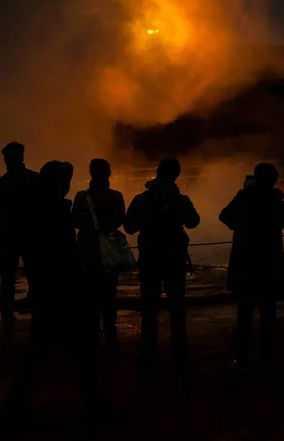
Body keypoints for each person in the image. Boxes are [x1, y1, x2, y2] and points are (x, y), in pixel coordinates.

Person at [7, 161, 102, 418]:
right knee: (78, 352)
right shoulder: (54, 213)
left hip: (46, 291)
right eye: (64, 179)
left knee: (39, 352)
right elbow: (63, 257)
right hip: (60, 292)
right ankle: (94, 405)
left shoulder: (35, 210)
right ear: (58, 184)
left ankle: (15, 405)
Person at [124, 158, 200, 368]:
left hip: (150, 257)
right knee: (177, 305)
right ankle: (180, 350)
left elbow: (129, 227)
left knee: (149, 306)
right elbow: (194, 222)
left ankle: (148, 350)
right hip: (175, 258)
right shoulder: (181, 200)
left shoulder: (141, 199)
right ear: (176, 174)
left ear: (157, 173)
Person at [219, 163, 284, 371]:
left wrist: (244, 198)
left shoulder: (244, 197)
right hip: (269, 262)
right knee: (269, 312)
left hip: (246, 261)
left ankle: (243, 358)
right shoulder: (274, 199)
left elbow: (224, 216)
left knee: (244, 312)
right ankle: (267, 359)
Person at [73, 159, 126, 352]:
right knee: (109, 295)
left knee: (88, 297)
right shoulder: (116, 196)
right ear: (109, 173)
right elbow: (121, 220)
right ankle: (110, 334)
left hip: (87, 250)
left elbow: (76, 221)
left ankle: (92, 336)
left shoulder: (80, 197)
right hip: (109, 251)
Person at [0, 142, 39, 334]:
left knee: (7, 279)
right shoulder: (34, 179)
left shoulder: (0, 184)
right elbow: (43, 208)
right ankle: (38, 316)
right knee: (35, 277)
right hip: (31, 237)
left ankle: (8, 321)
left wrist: (1, 232)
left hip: (8, 239)